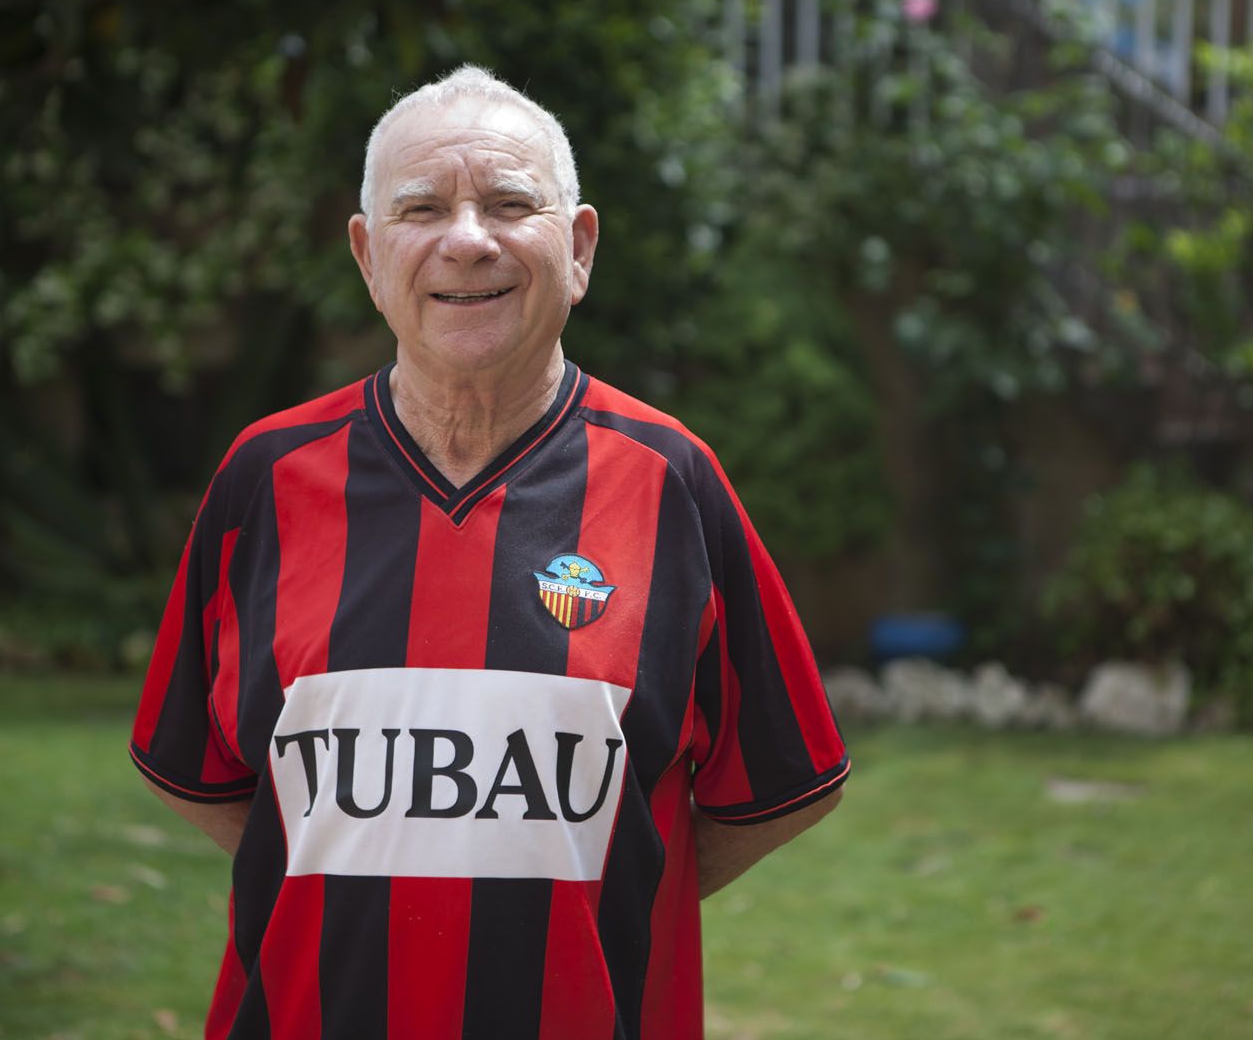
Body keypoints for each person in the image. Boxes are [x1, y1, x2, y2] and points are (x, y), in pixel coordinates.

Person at [129, 64, 849, 1040]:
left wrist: (599, 889)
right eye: (421, 208)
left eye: (510, 203)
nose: (467, 241)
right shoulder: (264, 480)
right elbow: (208, 777)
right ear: (369, 254)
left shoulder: (672, 480)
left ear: (580, 246)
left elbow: (778, 782)